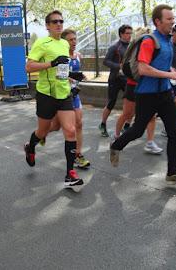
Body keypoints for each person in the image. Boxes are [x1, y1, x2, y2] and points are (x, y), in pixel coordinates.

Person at [110, 4, 176, 185]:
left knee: (174, 132)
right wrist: (171, 74)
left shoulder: (169, 41)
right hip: (146, 94)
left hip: (164, 94)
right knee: (138, 130)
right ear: (158, 21)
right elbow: (143, 68)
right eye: (169, 19)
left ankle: (172, 173)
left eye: (173, 19)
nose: (173, 22)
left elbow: (164, 66)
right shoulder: (149, 41)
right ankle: (116, 145)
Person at [24, 10, 84, 188]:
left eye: (61, 21)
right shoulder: (42, 43)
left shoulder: (65, 44)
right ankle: (31, 146)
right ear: (48, 26)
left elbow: (61, 70)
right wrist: (51, 63)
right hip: (46, 94)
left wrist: (72, 75)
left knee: (70, 130)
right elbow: (29, 67)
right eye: (55, 22)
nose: (59, 24)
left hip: (64, 93)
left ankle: (70, 174)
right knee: (42, 132)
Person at [40, 28, 91, 169]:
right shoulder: (61, 56)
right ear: (64, 41)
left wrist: (80, 76)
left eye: (75, 39)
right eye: (70, 40)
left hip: (74, 94)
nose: (74, 42)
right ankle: (41, 134)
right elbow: (60, 75)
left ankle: (77, 155)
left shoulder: (77, 55)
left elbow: (74, 73)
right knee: (55, 126)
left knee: (79, 124)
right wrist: (72, 79)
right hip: (61, 95)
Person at [114, 27, 163, 155]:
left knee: (151, 116)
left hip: (146, 87)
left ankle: (150, 143)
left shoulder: (151, 48)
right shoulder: (136, 48)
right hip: (133, 86)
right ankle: (116, 136)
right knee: (127, 114)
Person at [98, 25, 132, 137]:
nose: (129, 35)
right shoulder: (115, 47)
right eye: (127, 33)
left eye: (130, 33)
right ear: (121, 34)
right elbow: (106, 61)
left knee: (132, 103)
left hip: (127, 79)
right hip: (115, 79)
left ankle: (127, 125)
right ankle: (103, 124)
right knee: (111, 103)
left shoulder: (132, 46)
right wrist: (118, 66)